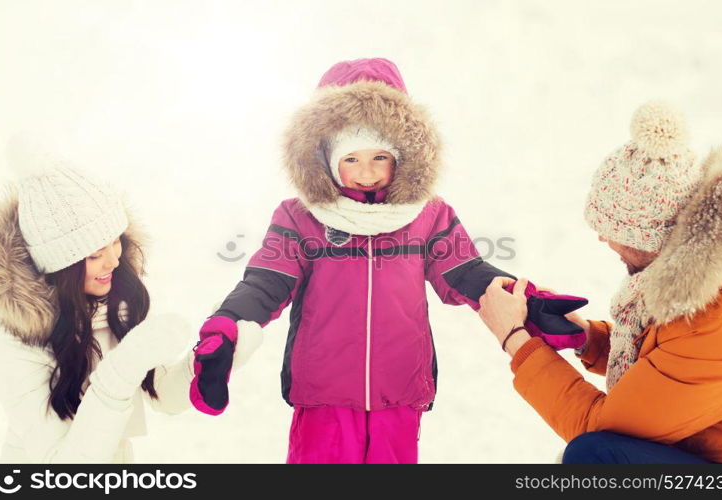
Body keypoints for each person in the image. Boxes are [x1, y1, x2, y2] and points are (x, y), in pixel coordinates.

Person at [189, 58, 586, 464]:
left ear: (403, 155)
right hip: (324, 396)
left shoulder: (427, 215)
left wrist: (530, 305)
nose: (366, 173)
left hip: (400, 392)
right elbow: (266, 283)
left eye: (380, 157)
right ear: (325, 158)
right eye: (351, 158)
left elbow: (466, 273)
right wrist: (226, 327)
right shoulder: (301, 217)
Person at [478, 101, 722, 463]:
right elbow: (666, 367)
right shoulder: (701, 281)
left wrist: (514, 340)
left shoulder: (718, 322)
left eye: (612, 230)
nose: (603, 240)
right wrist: (587, 337)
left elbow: (599, 426)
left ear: (649, 238)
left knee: (596, 457)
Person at [0, 140, 194, 463]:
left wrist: (207, 361)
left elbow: (163, 392)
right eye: (95, 254)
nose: (113, 260)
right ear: (60, 266)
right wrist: (122, 368)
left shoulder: (116, 299)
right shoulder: (15, 337)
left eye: (116, 241)